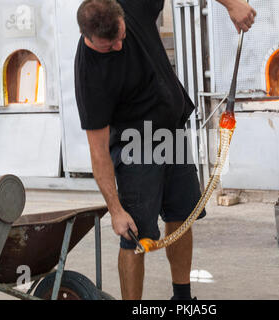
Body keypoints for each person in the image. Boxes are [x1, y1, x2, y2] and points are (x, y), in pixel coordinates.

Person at [75, 0, 256, 300]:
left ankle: (182, 299)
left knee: (182, 216)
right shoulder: (90, 74)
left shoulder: (131, 5)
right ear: (88, 37)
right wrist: (115, 210)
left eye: (122, 35)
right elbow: (98, 153)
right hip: (135, 147)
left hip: (172, 129)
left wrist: (231, 4)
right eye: (110, 45)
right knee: (137, 235)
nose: (121, 46)